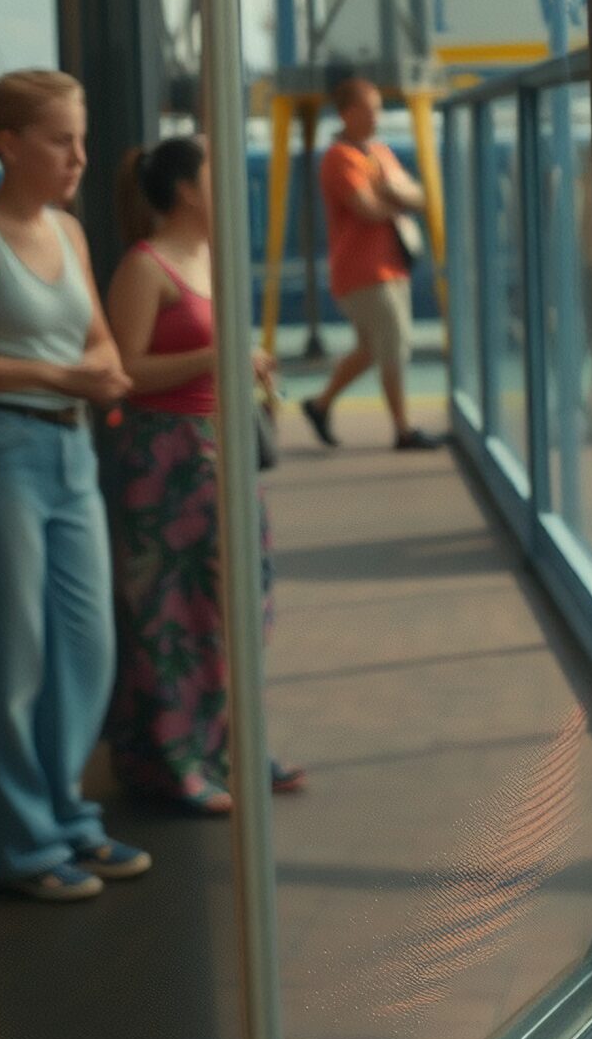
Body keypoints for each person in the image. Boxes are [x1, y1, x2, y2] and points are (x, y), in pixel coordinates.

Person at [0, 67, 149, 904]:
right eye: (62, 139)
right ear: (10, 143)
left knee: (87, 647)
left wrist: (98, 374)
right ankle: (25, 844)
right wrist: (65, 377)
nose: (80, 156)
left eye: (81, 139)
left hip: (69, 454)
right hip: (2, 450)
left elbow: (102, 344)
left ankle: (69, 817)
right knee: (15, 654)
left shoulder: (72, 234)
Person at [101, 135, 305, 815]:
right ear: (188, 189)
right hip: (165, 458)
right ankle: (173, 760)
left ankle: (231, 746)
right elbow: (125, 374)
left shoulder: (213, 259)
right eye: (217, 173)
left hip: (218, 451)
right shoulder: (145, 266)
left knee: (239, 601)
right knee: (169, 609)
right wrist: (217, 357)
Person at [299, 71, 441, 451]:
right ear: (347, 113)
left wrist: (391, 193)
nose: (377, 118)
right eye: (370, 111)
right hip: (363, 271)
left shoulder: (378, 151)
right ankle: (403, 428)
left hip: (392, 265)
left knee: (370, 349)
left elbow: (418, 194)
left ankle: (319, 403)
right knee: (394, 344)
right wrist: (393, 195)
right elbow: (367, 209)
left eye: (378, 110)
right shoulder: (338, 158)